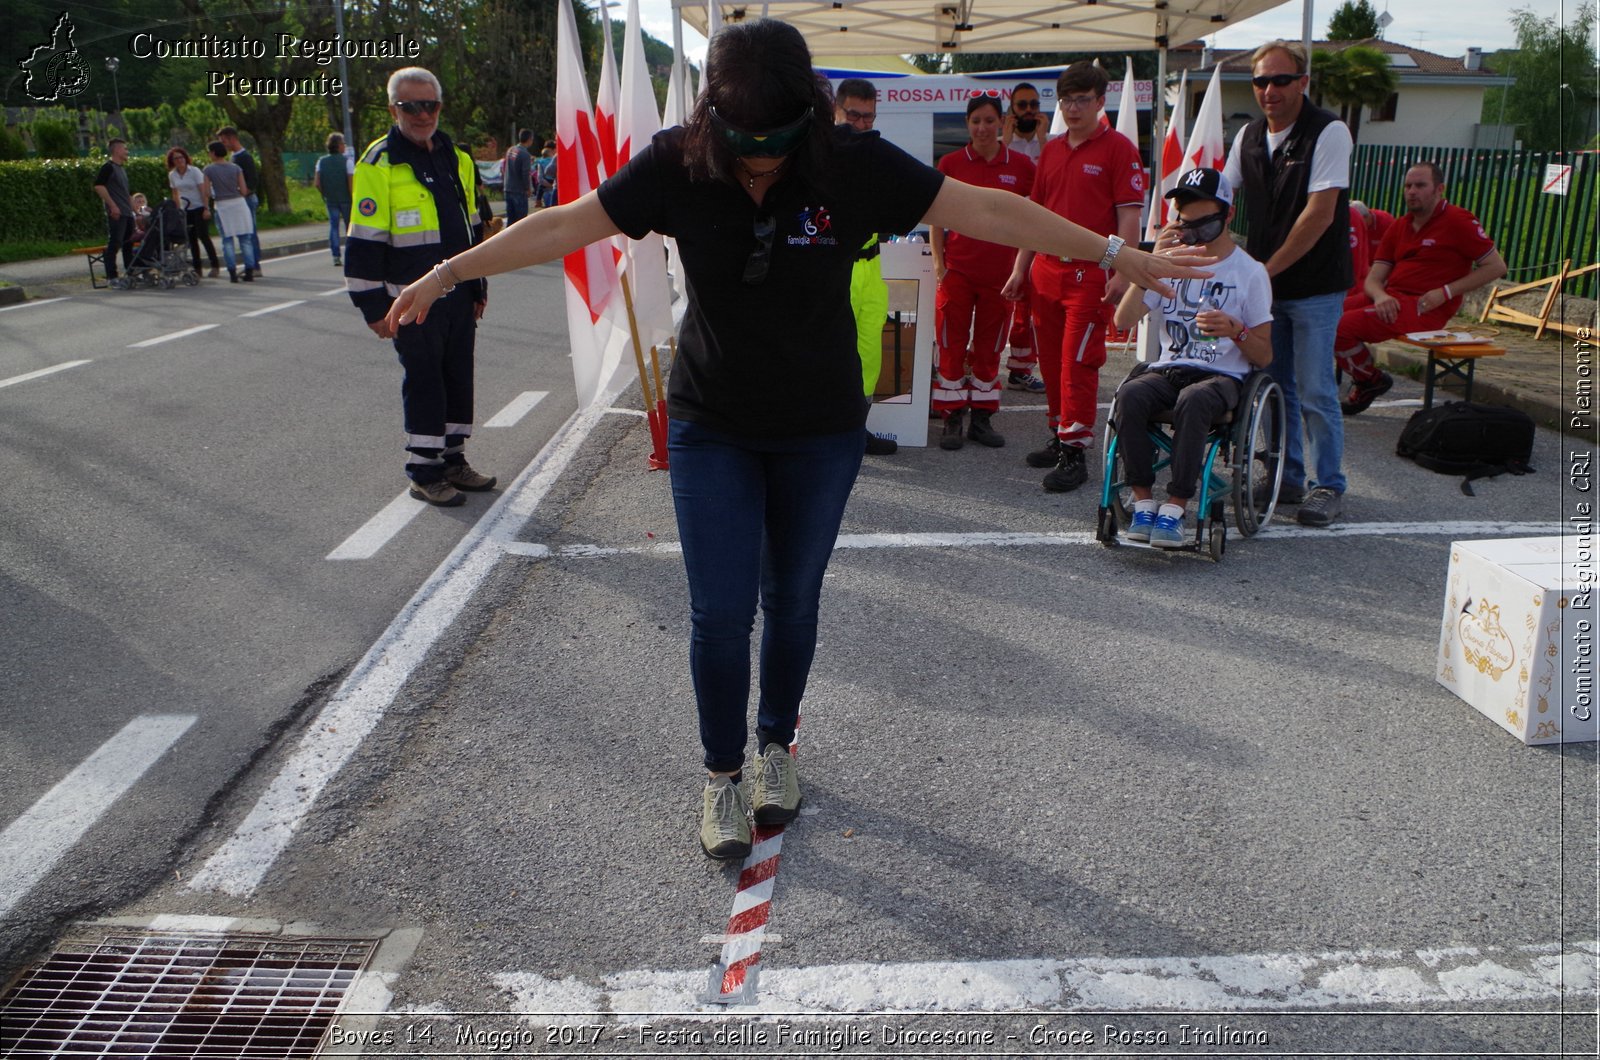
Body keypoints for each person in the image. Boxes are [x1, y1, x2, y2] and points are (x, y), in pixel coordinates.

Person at [384, 19, 1211, 862]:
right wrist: (450, 270)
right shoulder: (676, 161)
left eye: (778, 146)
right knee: (718, 610)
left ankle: (776, 749)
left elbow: (987, 209)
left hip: (819, 428)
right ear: (715, 116)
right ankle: (720, 777)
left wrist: (1115, 249)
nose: (763, 165)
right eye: (747, 148)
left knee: (794, 597)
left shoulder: (851, 162)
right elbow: (567, 223)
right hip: (713, 423)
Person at [346, 66, 495, 508]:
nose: (421, 114)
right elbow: (362, 242)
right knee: (426, 380)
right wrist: (373, 307)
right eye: (410, 106)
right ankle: (424, 471)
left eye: (429, 105)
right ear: (394, 109)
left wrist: (478, 285)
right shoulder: (379, 163)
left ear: (439, 107)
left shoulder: (457, 157)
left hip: (457, 295)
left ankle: (453, 460)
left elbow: (472, 230)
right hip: (410, 301)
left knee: (457, 376)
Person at [1223, 39, 1351, 528]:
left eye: (1280, 80)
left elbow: (1319, 215)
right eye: (1260, 81)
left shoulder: (1328, 131)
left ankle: (1329, 485)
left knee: (1317, 389)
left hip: (1315, 285)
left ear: (1302, 82)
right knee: (1275, 386)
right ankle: (1287, 475)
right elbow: (1221, 196)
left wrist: (1263, 271)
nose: (1269, 90)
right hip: (1269, 286)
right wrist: (1181, 228)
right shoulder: (1250, 136)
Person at [1112, 169, 1274, 547]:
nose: (1193, 232)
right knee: (1131, 394)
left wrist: (1237, 330)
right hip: (1171, 366)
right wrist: (1151, 264)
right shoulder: (1169, 261)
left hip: (1222, 375)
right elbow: (1123, 320)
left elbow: (1264, 354)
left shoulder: (1250, 273)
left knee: (1195, 400)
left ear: (1228, 216)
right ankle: (1143, 501)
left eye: (1204, 223)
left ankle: (1176, 506)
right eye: (1186, 222)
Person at [1002, 61, 1143, 492]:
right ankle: (1060, 432)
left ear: (1101, 102)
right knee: (1048, 361)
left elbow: (1129, 217)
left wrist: (1121, 270)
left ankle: (1075, 450)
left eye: (1083, 99)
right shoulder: (1054, 150)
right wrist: (1020, 268)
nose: (1074, 107)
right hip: (1046, 270)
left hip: (1090, 273)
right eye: (1067, 99)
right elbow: (1035, 217)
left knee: (1077, 361)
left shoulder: (1119, 149)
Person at [1335, 162, 1507, 415]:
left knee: (1339, 327)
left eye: (1420, 185)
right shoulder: (1400, 226)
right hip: (1392, 298)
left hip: (1424, 307)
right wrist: (1380, 296)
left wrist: (1446, 292)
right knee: (1324, 314)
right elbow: (1374, 278)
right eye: (1408, 186)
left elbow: (1496, 266)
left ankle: (1369, 381)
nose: (1412, 191)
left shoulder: (1458, 221)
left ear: (1439, 189)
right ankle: (1356, 377)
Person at [930, 94, 1035, 450]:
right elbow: (937, 219)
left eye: (989, 121)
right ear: (967, 124)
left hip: (1000, 278)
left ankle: (982, 418)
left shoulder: (1021, 167)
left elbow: (1031, 224)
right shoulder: (951, 163)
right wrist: (940, 267)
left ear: (1002, 123)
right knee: (950, 345)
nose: (982, 128)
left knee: (990, 349)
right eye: (975, 121)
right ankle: (951, 417)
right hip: (957, 273)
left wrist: (1020, 269)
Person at [833, 78, 896, 457]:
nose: (859, 123)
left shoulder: (877, 156)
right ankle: (825, 436)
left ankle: (858, 429)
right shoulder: (817, 157)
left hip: (871, 268)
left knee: (870, 357)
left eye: (867, 117)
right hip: (834, 269)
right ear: (835, 111)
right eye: (852, 114)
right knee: (828, 357)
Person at [1000, 82, 1048, 394]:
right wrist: (1005, 136)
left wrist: (1043, 139)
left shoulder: (1051, 143)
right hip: (1003, 232)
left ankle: (1020, 369)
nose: (1029, 110)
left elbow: (1050, 179)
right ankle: (980, 369)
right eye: (1022, 105)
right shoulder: (1003, 142)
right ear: (1012, 110)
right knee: (999, 306)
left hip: (1037, 234)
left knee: (1028, 308)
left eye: (1033, 104)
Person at [203, 139, 257, 283]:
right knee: (245, 239)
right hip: (238, 203)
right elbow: (244, 190)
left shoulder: (209, 169)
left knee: (227, 240)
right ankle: (249, 271)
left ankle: (232, 272)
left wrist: (209, 202)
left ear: (213, 153)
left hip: (222, 205)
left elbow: (207, 192)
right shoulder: (235, 168)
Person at [167, 146, 220, 277]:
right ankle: (197, 268)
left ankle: (215, 264)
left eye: (181, 157)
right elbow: (175, 193)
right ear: (172, 161)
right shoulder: (172, 175)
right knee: (191, 239)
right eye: (176, 158)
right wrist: (177, 211)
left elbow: (203, 190)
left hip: (199, 206)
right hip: (186, 209)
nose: (179, 160)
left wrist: (206, 208)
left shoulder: (194, 171)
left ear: (185, 158)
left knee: (203, 235)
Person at [217, 126, 263, 277]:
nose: (223, 145)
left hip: (246, 200)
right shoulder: (233, 157)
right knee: (245, 232)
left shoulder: (244, 157)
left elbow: (252, 182)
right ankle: (252, 264)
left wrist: (241, 194)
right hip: (238, 201)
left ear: (232, 139)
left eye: (224, 141)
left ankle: (255, 265)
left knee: (249, 232)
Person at [93, 138, 137, 290]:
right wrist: (112, 205)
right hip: (117, 212)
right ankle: (112, 276)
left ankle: (131, 273)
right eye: (125, 149)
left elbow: (127, 193)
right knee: (115, 243)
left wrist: (136, 210)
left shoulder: (122, 169)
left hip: (127, 212)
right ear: (117, 150)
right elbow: (99, 186)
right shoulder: (108, 167)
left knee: (128, 244)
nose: (127, 152)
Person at [314, 133, 354, 266]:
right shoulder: (347, 162)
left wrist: (325, 193)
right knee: (349, 226)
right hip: (346, 199)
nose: (345, 147)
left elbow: (317, 183)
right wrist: (353, 197)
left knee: (334, 226)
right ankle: (351, 253)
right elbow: (350, 183)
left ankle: (335, 255)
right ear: (339, 146)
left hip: (330, 199)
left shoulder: (321, 162)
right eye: (343, 144)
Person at [503, 129, 535, 226]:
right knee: (521, 222)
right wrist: (528, 188)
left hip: (508, 188)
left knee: (511, 220)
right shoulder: (525, 154)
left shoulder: (511, 150)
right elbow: (525, 173)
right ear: (529, 139)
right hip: (519, 190)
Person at [535, 140, 558, 208]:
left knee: (540, 188)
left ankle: (538, 201)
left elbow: (540, 178)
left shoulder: (541, 161)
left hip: (547, 187)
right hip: (553, 188)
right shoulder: (556, 158)